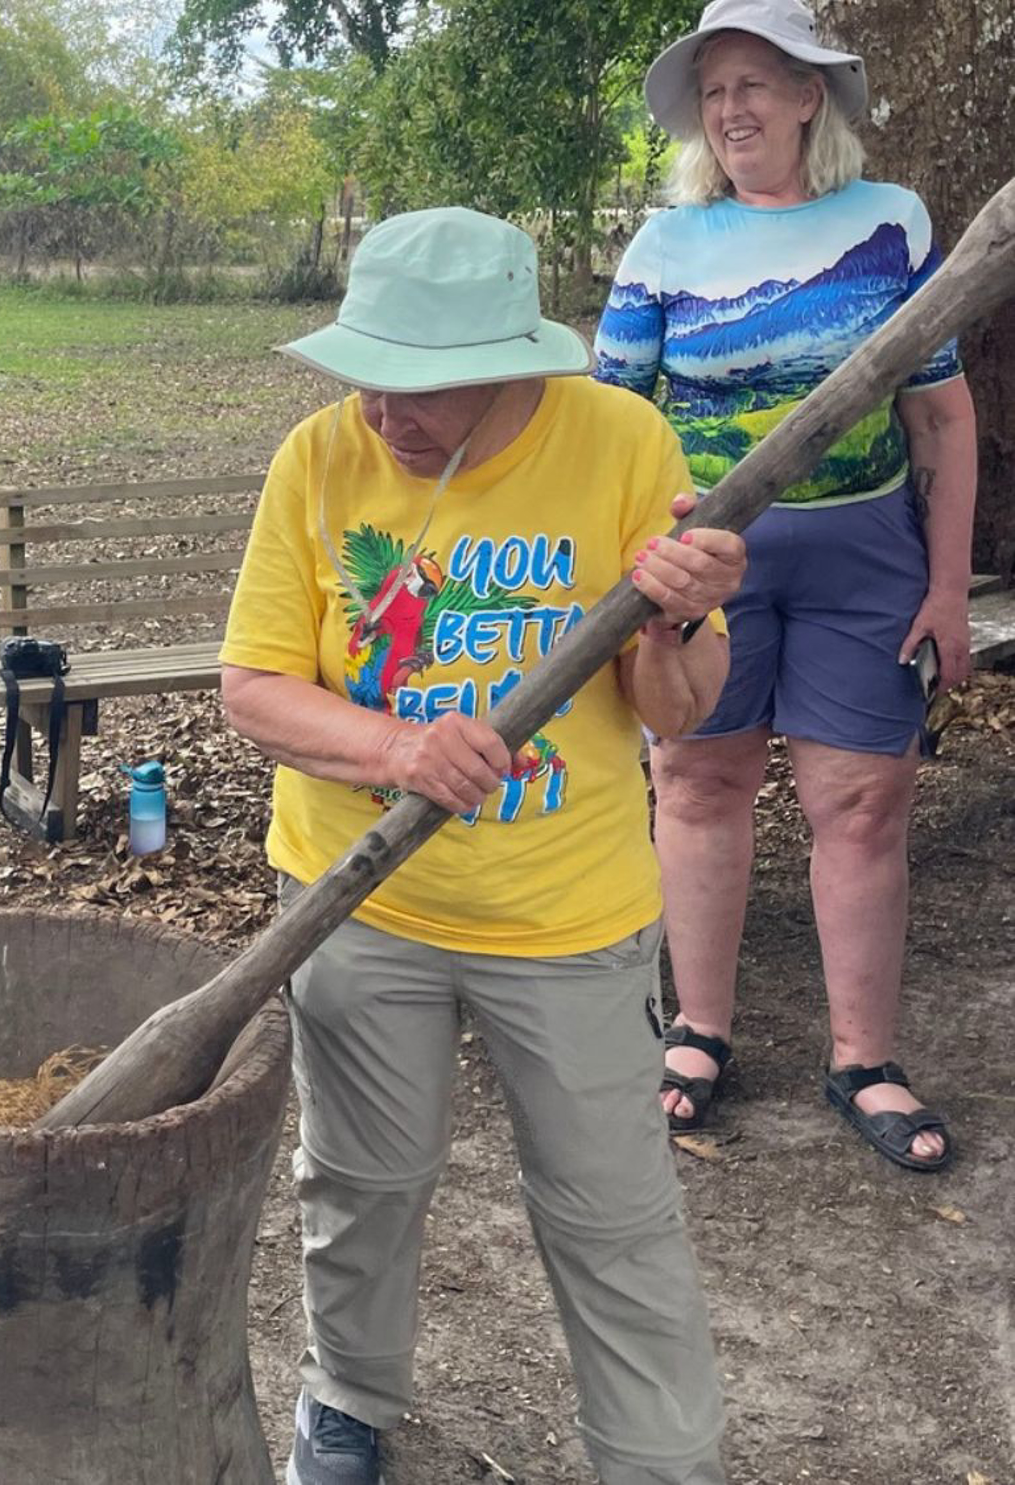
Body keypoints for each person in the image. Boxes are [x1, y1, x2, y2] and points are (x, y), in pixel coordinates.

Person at [222, 207, 748, 1485]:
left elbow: (677, 715)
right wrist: (398, 749)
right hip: (359, 906)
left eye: (417, 387)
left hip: (566, 916)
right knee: (358, 1185)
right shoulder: (318, 458)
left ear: (514, 363)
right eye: (366, 375)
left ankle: (660, 1459)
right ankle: (346, 1401)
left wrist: (677, 623)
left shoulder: (622, 442)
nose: (380, 412)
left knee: (611, 1214)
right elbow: (251, 690)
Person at [596, 0, 974, 1171]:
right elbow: (613, 425)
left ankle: (864, 1058)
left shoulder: (892, 222)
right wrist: (639, 576)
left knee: (863, 804)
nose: (732, 108)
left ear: (813, 95)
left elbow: (942, 414)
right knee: (698, 784)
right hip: (708, 558)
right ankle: (699, 1031)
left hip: (868, 556)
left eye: (755, 82)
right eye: (714, 91)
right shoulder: (667, 243)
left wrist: (949, 588)